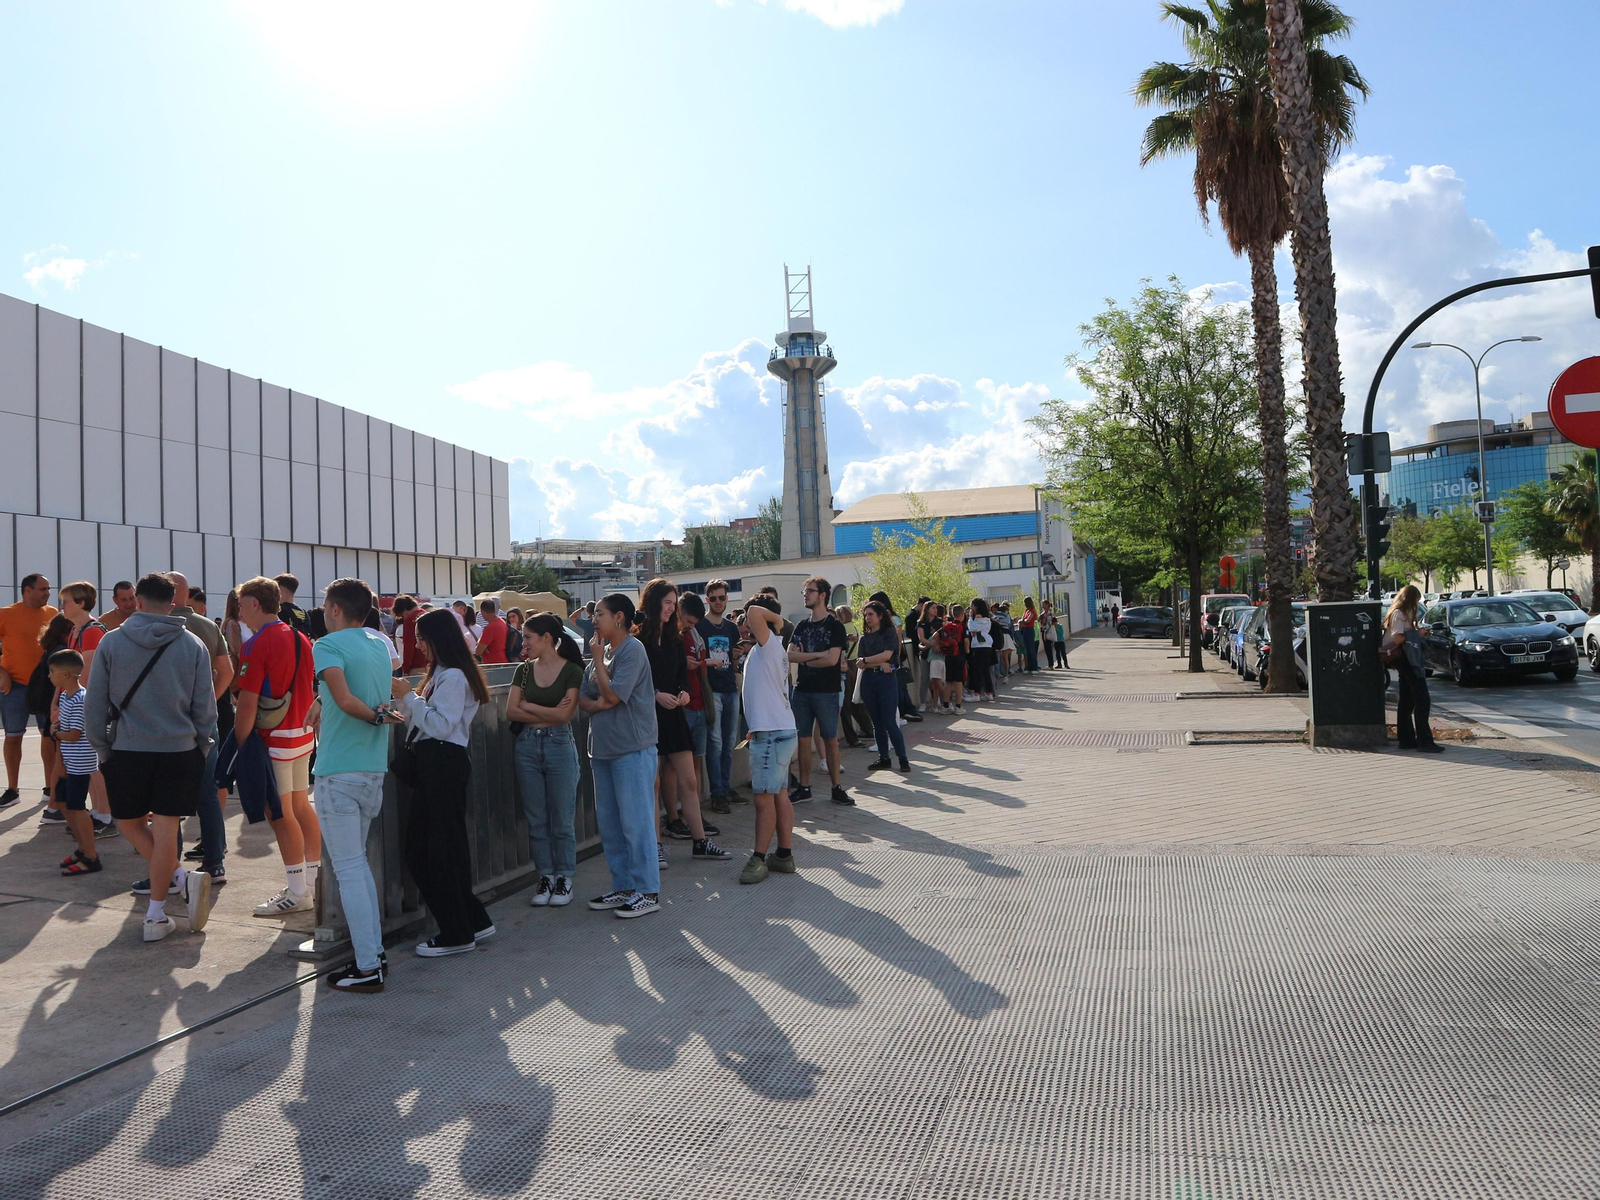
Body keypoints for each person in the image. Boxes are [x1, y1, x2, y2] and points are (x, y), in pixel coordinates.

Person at [85, 573, 216, 942]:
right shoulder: (192, 644)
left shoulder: (112, 642)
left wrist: (102, 748)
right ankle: (166, 900)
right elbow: (205, 707)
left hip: (126, 750)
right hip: (179, 750)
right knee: (165, 831)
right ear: (172, 603)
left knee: (127, 823)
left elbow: (95, 703)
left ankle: (166, 901)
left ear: (138, 602)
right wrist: (201, 746)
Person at [314, 578, 405, 991]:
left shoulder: (327, 646)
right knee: (359, 867)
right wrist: (378, 716)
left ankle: (368, 966)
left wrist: (374, 716)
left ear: (335, 609)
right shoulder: (378, 643)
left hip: (339, 770)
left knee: (349, 870)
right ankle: (374, 954)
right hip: (372, 769)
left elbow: (348, 700)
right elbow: (356, 693)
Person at [392, 609, 494, 955]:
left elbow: (440, 725)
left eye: (421, 637)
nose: (418, 645)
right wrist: (404, 702)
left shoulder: (451, 677)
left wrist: (409, 697)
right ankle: (473, 920)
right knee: (445, 848)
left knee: (428, 852)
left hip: (442, 764)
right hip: (440, 764)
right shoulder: (447, 674)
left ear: (438, 638)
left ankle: (456, 932)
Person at [234, 575, 321, 918]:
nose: (239, 612)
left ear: (255, 604)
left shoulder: (257, 644)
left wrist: (240, 746)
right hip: (301, 735)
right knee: (300, 808)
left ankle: (298, 891)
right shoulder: (300, 636)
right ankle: (312, 883)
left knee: (281, 814)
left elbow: (247, 702)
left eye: (241, 605)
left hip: (274, 741)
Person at [577, 593, 661, 919]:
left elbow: (613, 695)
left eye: (599, 614)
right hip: (602, 749)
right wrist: (601, 701)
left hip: (632, 749)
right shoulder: (603, 652)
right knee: (611, 825)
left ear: (620, 618)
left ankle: (647, 891)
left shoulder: (632, 650)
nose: (594, 620)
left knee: (636, 824)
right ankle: (624, 886)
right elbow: (585, 699)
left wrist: (598, 664)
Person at [638, 579, 727, 867]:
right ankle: (656, 846)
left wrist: (683, 693)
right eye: (666, 602)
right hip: (648, 717)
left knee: (689, 780)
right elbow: (634, 683)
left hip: (675, 715)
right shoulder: (638, 639)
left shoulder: (676, 638)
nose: (671, 608)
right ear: (653, 603)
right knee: (653, 783)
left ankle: (700, 841)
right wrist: (655, 696)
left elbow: (680, 676)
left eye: (673, 603)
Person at [510, 613, 585, 909]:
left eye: (529, 637)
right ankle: (545, 876)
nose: (524, 642)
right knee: (537, 818)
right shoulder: (523, 670)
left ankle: (565, 875)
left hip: (559, 745)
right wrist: (544, 710)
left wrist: (528, 704)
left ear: (547, 639)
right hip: (527, 746)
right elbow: (511, 712)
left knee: (562, 818)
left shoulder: (572, 671)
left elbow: (565, 716)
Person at [168, 572, 235, 888]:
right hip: (206, 721)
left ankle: (171, 869)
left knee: (169, 798)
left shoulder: (159, 625)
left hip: (170, 723)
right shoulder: (208, 626)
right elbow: (228, 671)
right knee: (208, 792)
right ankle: (215, 863)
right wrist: (211, 700)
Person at [738, 596, 798, 884]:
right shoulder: (768, 648)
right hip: (779, 729)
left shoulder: (769, 642)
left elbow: (753, 612)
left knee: (763, 799)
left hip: (772, 735)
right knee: (779, 794)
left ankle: (759, 858)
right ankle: (783, 855)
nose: (747, 622)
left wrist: (777, 619)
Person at [789, 576, 850, 806]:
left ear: (822, 595)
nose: (805, 594)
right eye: (804, 591)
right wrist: (816, 656)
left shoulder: (835, 626)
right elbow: (790, 655)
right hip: (802, 690)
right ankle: (804, 788)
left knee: (830, 739)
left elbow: (833, 660)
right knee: (803, 739)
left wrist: (805, 659)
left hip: (827, 691)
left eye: (810, 591)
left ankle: (837, 788)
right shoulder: (802, 626)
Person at [0, 573, 59, 809]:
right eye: (42, 589)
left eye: (48, 588)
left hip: (46, 686)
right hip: (14, 686)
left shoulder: (53, 614)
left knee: (49, 737)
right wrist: (1, 672)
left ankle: (49, 787)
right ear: (27, 590)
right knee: (13, 736)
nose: (47, 593)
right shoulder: (6, 614)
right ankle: (13, 789)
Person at [50, 649, 103, 877]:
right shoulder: (64, 696)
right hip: (69, 761)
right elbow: (63, 729)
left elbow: (72, 733)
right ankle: (82, 848)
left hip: (80, 763)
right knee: (61, 802)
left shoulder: (81, 699)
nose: (49, 676)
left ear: (65, 675)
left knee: (77, 808)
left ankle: (91, 856)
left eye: (52, 672)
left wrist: (55, 733)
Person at [696, 579, 743, 810]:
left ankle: (725, 786)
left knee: (729, 742)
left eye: (721, 597)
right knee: (714, 743)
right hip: (711, 690)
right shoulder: (700, 627)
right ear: (707, 600)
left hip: (730, 688)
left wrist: (735, 656)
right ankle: (716, 792)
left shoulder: (731, 628)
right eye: (713, 598)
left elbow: (734, 662)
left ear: (727, 599)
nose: (717, 602)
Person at [1384, 585, 1441, 753]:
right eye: (1416, 600)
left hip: (1405, 658)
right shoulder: (1399, 614)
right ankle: (1425, 741)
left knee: (1407, 699)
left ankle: (1407, 738)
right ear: (1410, 600)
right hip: (1406, 659)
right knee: (1422, 699)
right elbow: (1398, 638)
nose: (1417, 604)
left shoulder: (1400, 613)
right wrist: (1417, 634)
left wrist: (1416, 631)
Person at [858, 601, 910, 773]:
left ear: (880, 616)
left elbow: (888, 654)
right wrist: (879, 662)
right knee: (877, 723)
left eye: (871, 614)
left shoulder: (889, 633)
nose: (867, 618)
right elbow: (859, 662)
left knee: (889, 721)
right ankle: (884, 758)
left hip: (886, 680)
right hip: (869, 681)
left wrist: (868, 661)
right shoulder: (864, 638)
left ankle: (903, 759)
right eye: (865, 615)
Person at [677, 593, 714, 814]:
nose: (689, 626)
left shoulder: (694, 634)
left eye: (693, 624)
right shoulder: (674, 636)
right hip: (684, 707)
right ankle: (679, 812)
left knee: (697, 761)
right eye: (688, 622)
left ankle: (696, 811)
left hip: (700, 704)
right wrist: (684, 664)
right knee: (677, 766)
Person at [939, 604, 969, 715]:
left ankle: (945, 705)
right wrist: (967, 651)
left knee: (948, 682)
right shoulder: (962, 626)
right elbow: (966, 641)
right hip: (959, 656)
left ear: (952, 614)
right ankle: (958, 706)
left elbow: (937, 636)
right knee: (958, 682)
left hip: (948, 655)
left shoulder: (946, 626)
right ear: (962, 614)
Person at [968, 598, 998, 701]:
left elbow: (972, 628)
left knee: (978, 670)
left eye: (972, 606)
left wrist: (970, 619)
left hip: (979, 646)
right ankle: (989, 692)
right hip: (987, 645)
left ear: (976, 606)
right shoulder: (987, 618)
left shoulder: (976, 618)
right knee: (985, 670)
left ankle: (976, 694)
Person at [922, 603, 949, 714]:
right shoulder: (944, 638)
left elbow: (924, 646)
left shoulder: (934, 637)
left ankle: (947, 703)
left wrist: (923, 645)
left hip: (935, 661)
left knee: (937, 684)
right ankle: (935, 705)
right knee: (937, 685)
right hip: (942, 661)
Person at [476, 598, 509, 664]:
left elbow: (478, 651)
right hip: (503, 660)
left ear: (483, 611)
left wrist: (480, 643)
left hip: (492, 663)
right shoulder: (502, 622)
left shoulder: (490, 628)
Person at [1018, 596, 1040, 673]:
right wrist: (1023, 620)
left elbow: (1028, 620)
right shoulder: (1026, 610)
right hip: (1025, 630)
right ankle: (1028, 667)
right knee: (1027, 650)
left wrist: (1023, 620)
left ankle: (1034, 667)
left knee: (1031, 649)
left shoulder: (1032, 611)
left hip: (1030, 629)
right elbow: (1023, 618)